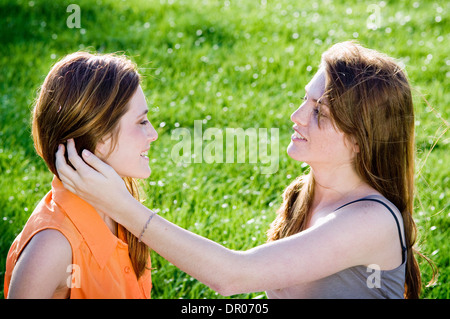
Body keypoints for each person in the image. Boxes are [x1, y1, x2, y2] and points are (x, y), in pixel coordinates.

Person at [55, 41, 426, 298]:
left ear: (361, 138)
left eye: (320, 113)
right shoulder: (306, 193)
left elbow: (233, 276)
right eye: (305, 100)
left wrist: (122, 206)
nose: (297, 117)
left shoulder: (370, 221)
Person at [4, 52, 158, 298]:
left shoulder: (120, 202)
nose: (153, 134)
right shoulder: (52, 246)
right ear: (99, 137)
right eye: (141, 122)